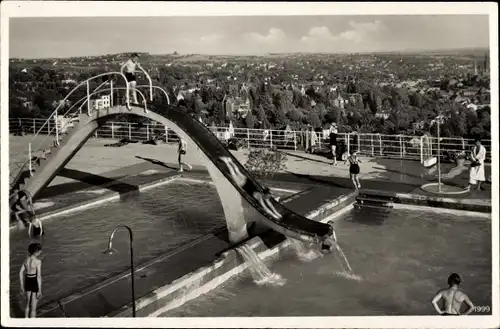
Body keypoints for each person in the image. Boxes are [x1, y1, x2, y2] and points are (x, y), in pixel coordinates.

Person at [220, 156, 282, 221]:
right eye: (268, 196)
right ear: (265, 195)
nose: (268, 198)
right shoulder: (260, 198)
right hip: (243, 184)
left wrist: (277, 214)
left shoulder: (263, 194)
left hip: (247, 181)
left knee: (237, 172)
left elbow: (270, 206)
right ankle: (226, 162)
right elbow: (266, 208)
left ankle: (230, 161)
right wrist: (275, 216)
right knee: (233, 174)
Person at [19, 243, 43, 318]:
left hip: (27, 281)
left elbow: (20, 273)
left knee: (27, 304)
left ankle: (26, 321)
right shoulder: (38, 261)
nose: (41, 252)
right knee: (33, 308)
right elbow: (38, 277)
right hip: (34, 282)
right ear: (36, 252)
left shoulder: (26, 259)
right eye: (40, 251)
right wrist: (39, 290)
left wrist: (22, 286)